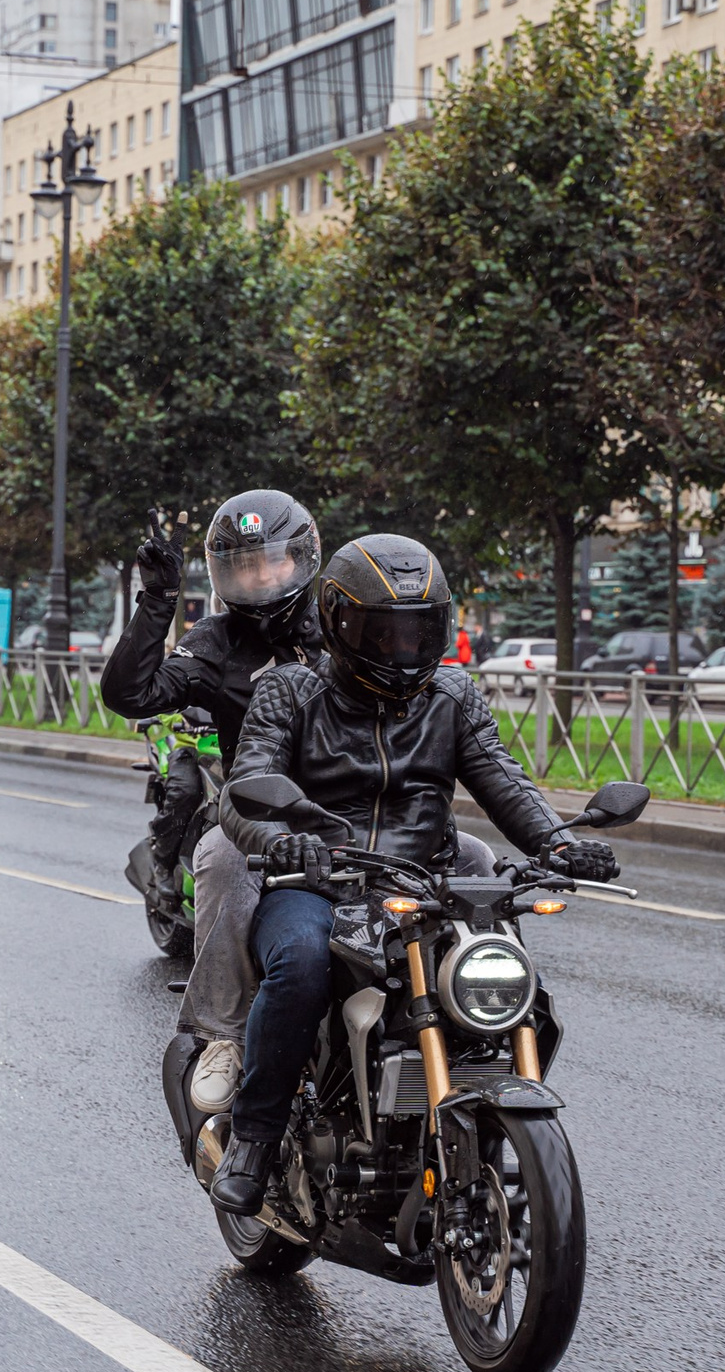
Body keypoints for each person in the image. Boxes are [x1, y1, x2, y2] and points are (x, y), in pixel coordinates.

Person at [206, 534, 621, 1216]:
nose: (403, 650)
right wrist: (283, 842)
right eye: (384, 632)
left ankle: (480, 1115)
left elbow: (502, 778)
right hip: (319, 881)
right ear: (338, 623)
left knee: (514, 983)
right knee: (303, 964)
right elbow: (246, 782)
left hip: (425, 885)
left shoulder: (452, 694)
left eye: (418, 630)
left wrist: (560, 842)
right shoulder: (291, 690)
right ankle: (254, 1135)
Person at [98, 491, 323, 1116]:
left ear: (303, 560)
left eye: (272, 563)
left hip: (351, 809)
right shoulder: (216, 640)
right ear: (224, 574)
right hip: (257, 814)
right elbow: (132, 692)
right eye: (244, 565)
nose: (260, 578)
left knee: (468, 855)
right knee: (220, 857)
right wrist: (158, 601)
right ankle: (222, 1031)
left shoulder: (341, 625)